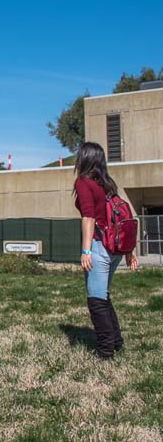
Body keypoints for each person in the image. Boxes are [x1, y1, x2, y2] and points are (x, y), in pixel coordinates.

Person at [74, 142, 137, 359]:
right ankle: (116, 342)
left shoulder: (84, 182)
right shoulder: (108, 184)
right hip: (115, 249)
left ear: (85, 158)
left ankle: (105, 352)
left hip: (99, 246)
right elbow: (123, 217)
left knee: (96, 301)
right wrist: (129, 251)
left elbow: (89, 217)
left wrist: (85, 251)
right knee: (103, 297)